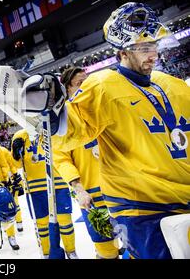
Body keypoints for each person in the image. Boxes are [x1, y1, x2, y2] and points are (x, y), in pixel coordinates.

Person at [21, 2, 190, 259]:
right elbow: (73, 133)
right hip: (140, 206)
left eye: (154, 45)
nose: (153, 54)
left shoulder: (174, 84)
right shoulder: (102, 85)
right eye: (144, 48)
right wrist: (52, 114)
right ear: (123, 52)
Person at [54, 66, 120, 259]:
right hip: (92, 194)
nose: (86, 88)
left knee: (137, 243)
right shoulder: (63, 120)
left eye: (87, 82)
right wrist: (78, 188)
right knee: (107, 249)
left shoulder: (105, 108)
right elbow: (61, 158)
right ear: (67, 90)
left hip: (123, 189)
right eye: (79, 84)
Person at [11, 129, 78, 259]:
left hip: (58, 182)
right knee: (42, 224)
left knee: (65, 220)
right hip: (35, 187)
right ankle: (46, 254)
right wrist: (15, 153)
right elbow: (17, 164)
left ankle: (71, 251)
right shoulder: (19, 136)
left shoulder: (52, 127)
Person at [0, 144, 24, 232]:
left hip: (10, 180)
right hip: (1, 182)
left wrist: (15, 174)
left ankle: (19, 222)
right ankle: (9, 227)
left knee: (15, 202)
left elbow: (11, 163)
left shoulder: (3, 151)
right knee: (5, 205)